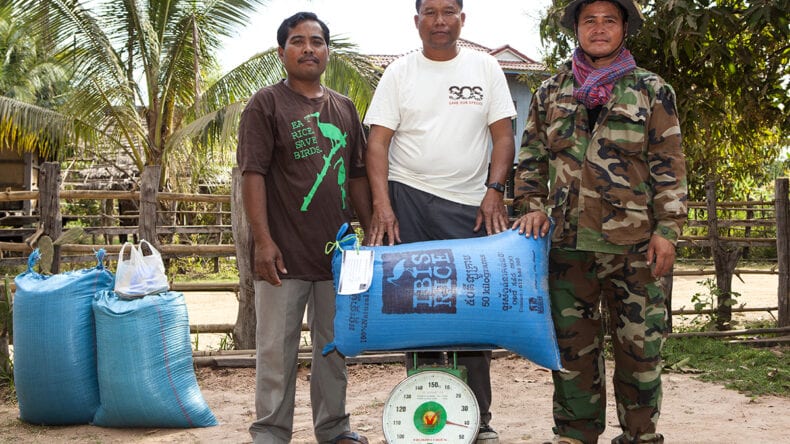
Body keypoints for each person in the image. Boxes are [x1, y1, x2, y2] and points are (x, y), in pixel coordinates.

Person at [511, 1, 688, 443]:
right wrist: (531, 205)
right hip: (568, 248)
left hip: (635, 249)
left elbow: (670, 165)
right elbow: (530, 159)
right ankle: (574, 435)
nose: (600, 28)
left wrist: (668, 231)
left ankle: (640, 436)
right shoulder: (550, 92)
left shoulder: (651, 90)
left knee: (640, 356)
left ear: (624, 28)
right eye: (590, 20)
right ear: (577, 29)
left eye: (610, 19)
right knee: (572, 356)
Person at [363, 0, 516, 441]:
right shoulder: (399, 73)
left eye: (449, 11)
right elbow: (377, 144)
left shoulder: (485, 69)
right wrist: (382, 204)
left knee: (471, 315)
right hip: (407, 200)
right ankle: (426, 422)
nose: (440, 21)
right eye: (429, 12)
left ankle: (478, 421)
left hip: (470, 207)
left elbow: (503, 135)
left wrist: (494, 189)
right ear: (417, 22)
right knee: (417, 314)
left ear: (462, 20)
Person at [236, 11, 372, 444]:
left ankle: (334, 429)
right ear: (282, 52)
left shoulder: (344, 108)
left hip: (338, 256)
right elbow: (252, 174)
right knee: (277, 351)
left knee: (334, 347)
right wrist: (262, 240)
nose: (308, 48)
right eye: (298, 41)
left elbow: (356, 176)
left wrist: (371, 232)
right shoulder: (266, 104)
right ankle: (271, 433)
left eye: (317, 41)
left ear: (328, 51)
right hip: (283, 255)